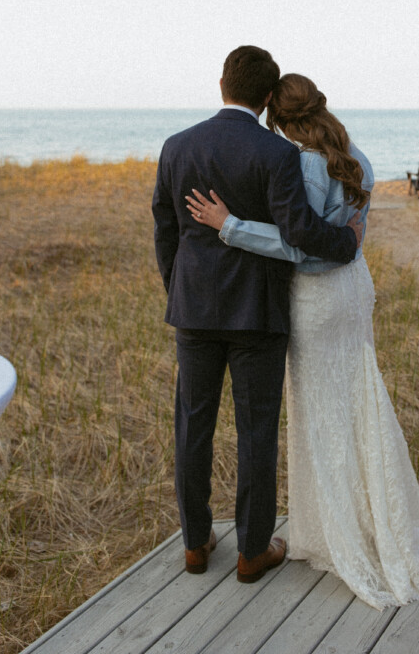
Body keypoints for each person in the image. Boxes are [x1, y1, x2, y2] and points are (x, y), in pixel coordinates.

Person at [187, 73, 419, 609]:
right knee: (359, 400)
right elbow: (345, 238)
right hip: (352, 289)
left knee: (319, 410)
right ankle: (372, 517)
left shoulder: (300, 163)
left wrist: (231, 225)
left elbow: (304, 250)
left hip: (317, 294)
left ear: (277, 115)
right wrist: (343, 243)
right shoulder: (351, 153)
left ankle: (338, 529)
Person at [152, 47, 361, 584]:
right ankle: (251, 551)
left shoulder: (177, 146)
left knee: (193, 426)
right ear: (268, 97)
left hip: (194, 312)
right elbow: (298, 231)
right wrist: (346, 242)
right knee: (256, 430)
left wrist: (180, 287)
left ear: (221, 81)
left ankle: (196, 544)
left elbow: (165, 228)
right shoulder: (276, 153)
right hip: (257, 312)